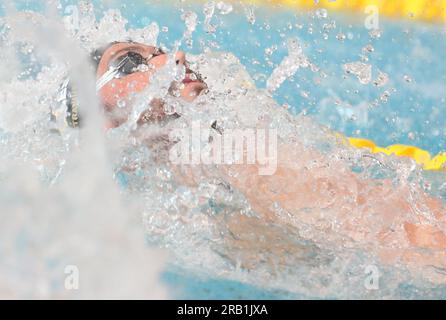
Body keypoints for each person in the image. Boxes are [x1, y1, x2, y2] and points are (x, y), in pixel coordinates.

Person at [73, 41, 446, 283]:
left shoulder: (248, 158)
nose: (175, 57)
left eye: (156, 50)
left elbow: (420, 241)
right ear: (102, 126)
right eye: (129, 62)